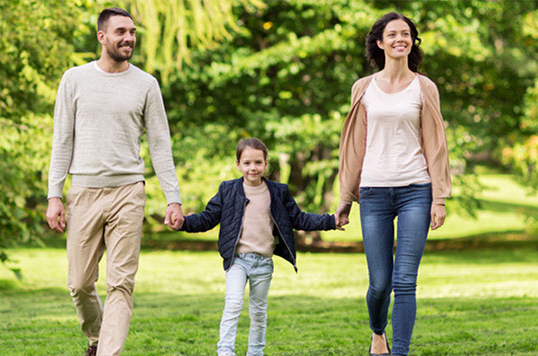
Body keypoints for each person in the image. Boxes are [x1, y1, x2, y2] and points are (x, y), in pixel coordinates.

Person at [45, 7, 183, 356]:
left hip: (128, 192)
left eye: (133, 32)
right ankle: (96, 338)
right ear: (101, 37)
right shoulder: (74, 79)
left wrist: (173, 197)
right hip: (84, 192)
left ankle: (109, 352)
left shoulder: (146, 84)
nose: (129, 38)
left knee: (120, 283)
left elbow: (160, 143)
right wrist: (54, 195)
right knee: (79, 284)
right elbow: (62, 139)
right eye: (121, 31)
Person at [334, 12, 451, 356]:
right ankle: (377, 333)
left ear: (412, 42)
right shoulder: (363, 88)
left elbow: (436, 144)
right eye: (393, 34)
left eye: (407, 34)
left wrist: (439, 197)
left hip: (416, 189)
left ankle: (399, 352)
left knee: (404, 282)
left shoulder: (424, 87)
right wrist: (346, 196)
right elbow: (354, 146)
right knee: (380, 284)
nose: (401, 39)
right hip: (374, 192)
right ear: (380, 42)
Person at [173, 138, 336, 356]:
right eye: (247, 163)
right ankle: (225, 351)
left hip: (263, 263)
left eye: (258, 162)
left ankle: (255, 352)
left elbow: (299, 219)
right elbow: (207, 218)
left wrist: (331, 221)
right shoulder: (228, 190)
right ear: (238, 165)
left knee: (258, 312)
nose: (253, 168)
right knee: (233, 303)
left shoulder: (278, 192)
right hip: (237, 260)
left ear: (266, 164)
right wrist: (184, 222)